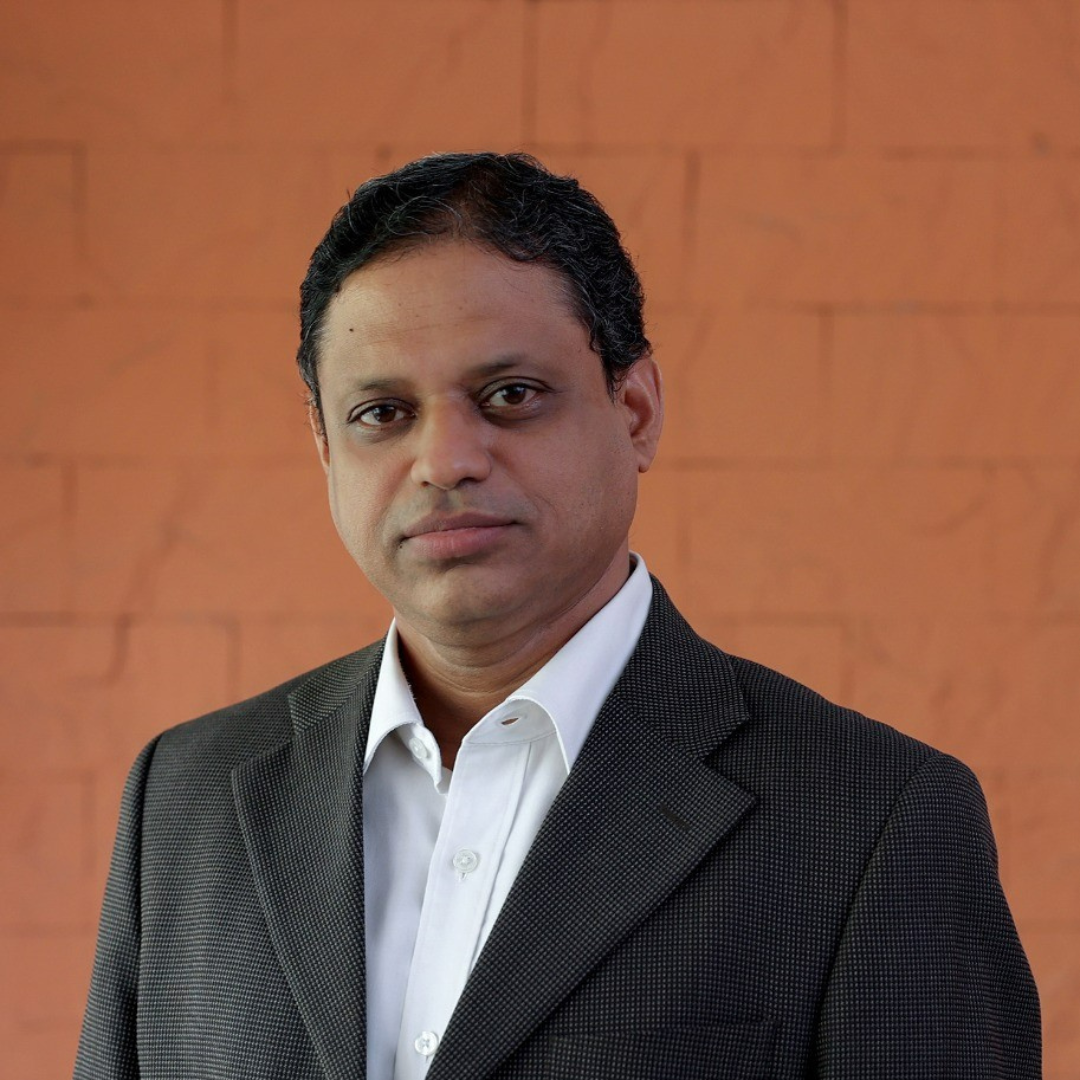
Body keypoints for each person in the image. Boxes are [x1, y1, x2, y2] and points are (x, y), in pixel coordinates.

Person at [75, 152, 1040, 1080]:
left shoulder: (871, 821)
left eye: (510, 395)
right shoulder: (184, 798)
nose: (446, 460)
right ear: (325, 444)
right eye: (382, 413)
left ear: (636, 409)